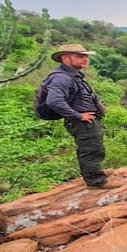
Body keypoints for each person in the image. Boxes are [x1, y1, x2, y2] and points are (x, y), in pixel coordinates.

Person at [45, 44, 108, 188]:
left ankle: (95, 179)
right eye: (80, 56)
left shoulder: (73, 76)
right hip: (82, 122)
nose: (85, 59)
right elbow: (54, 101)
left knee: (94, 149)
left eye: (86, 56)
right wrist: (78, 116)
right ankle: (96, 184)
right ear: (65, 58)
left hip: (87, 121)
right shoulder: (62, 78)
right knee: (91, 150)